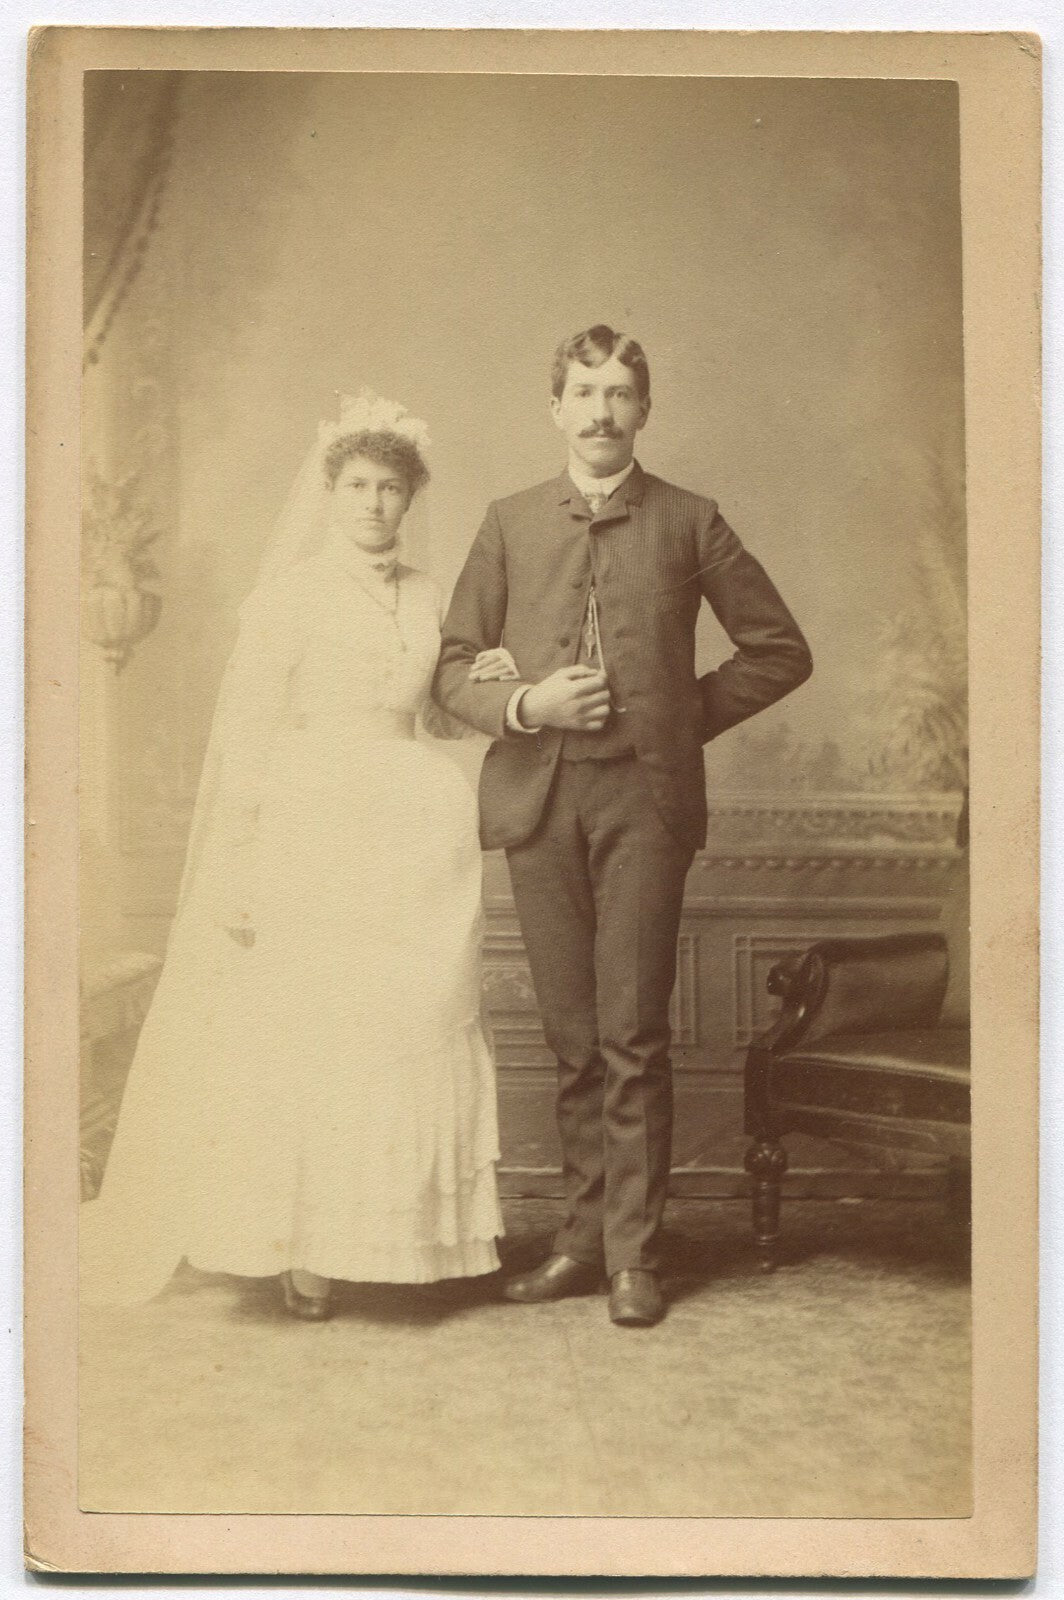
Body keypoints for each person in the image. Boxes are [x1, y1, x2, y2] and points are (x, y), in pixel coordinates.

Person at [81, 391, 519, 1319]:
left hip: (416, 828)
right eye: (357, 485)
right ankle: (306, 1249)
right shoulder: (288, 598)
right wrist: (242, 866)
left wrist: (485, 679)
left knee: (409, 1021)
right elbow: (246, 736)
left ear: (411, 498)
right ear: (330, 493)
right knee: (323, 1027)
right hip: (316, 823)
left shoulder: (429, 596)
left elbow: (437, 716)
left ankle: (399, 1239)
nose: (374, 503)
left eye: (390, 488)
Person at [433, 326, 813, 1327]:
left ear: (644, 409)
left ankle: (635, 1257)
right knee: (573, 1038)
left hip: (645, 802)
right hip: (540, 801)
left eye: (618, 394)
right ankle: (581, 1240)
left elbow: (779, 650)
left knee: (632, 1034)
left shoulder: (690, 520)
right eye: (584, 392)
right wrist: (527, 705)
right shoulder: (508, 522)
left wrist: (675, 715)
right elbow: (451, 667)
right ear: (554, 408)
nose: (600, 412)